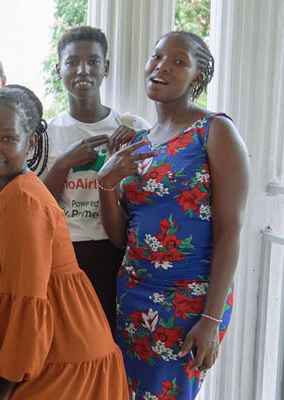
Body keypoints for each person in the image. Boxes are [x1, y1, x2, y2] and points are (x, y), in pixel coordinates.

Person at [97, 31, 248, 400]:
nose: (161, 66)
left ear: (197, 77)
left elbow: (230, 232)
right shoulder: (142, 142)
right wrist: (105, 182)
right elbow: (121, 238)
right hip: (133, 295)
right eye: (157, 56)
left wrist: (210, 321)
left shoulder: (214, 131)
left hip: (188, 303)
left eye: (178, 62)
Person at [0, 85, 128, 400]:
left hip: (59, 354)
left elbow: (26, 301)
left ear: (30, 143)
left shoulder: (22, 198)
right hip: (44, 349)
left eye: (7, 138)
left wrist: (5, 384)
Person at [39, 26, 150, 335]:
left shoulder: (131, 128)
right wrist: (63, 164)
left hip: (116, 253)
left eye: (93, 61)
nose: (83, 70)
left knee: (111, 343)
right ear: (58, 69)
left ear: (106, 67)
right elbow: (38, 207)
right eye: (72, 62)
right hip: (65, 253)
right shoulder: (47, 135)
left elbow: (146, 197)